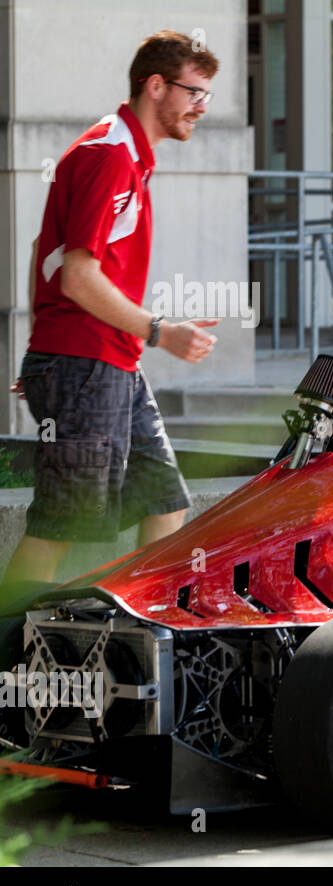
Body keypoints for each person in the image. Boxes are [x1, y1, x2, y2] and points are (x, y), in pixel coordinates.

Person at [2, 30, 221, 587]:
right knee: (62, 525)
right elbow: (78, 276)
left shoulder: (126, 153)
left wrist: (45, 350)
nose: (201, 107)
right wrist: (160, 331)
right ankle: (7, 659)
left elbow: (41, 252)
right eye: (193, 93)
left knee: (165, 502)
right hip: (88, 364)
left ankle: (138, 635)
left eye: (205, 96)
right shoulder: (111, 156)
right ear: (155, 86)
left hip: (104, 364)